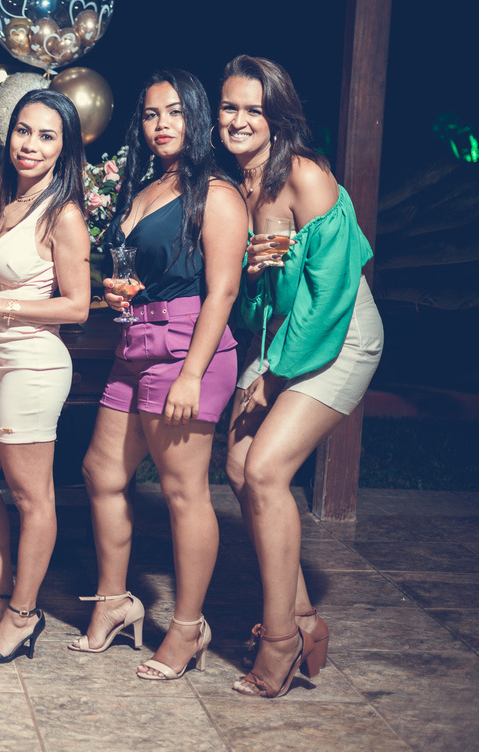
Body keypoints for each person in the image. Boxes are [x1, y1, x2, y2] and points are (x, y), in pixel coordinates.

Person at [72, 70, 247, 681]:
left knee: (182, 492)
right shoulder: (145, 186)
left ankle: (188, 628)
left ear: (195, 118)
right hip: (135, 341)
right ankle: (115, 601)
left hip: (187, 349)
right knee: (101, 472)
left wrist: (192, 375)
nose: (162, 124)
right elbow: (139, 267)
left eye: (174, 112)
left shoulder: (217, 193)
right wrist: (117, 290)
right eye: (150, 114)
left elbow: (223, 290)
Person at [219, 55, 383, 698]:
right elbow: (253, 310)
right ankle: (307, 618)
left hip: (340, 335)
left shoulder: (306, 176)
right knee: (239, 467)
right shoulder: (236, 188)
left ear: (277, 117)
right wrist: (254, 275)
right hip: (284, 335)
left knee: (265, 470)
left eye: (253, 110)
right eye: (229, 107)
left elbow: (334, 292)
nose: (238, 120)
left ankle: (281, 639)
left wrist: (274, 375)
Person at [0, 90, 91, 663]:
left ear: (64, 148)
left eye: (46, 135)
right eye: (23, 131)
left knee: (32, 497)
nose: (30, 144)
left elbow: (77, 306)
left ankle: (24, 614)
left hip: (33, 365)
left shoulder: (63, 214)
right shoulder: (2, 202)